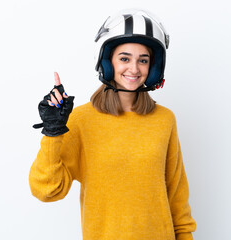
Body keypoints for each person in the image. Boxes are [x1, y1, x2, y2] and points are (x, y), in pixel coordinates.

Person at [29, 9, 196, 240]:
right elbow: (46, 190)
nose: (134, 69)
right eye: (124, 58)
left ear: (153, 68)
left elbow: (177, 198)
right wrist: (53, 132)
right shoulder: (81, 120)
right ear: (108, 63)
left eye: (143, 60)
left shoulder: (164, 120)